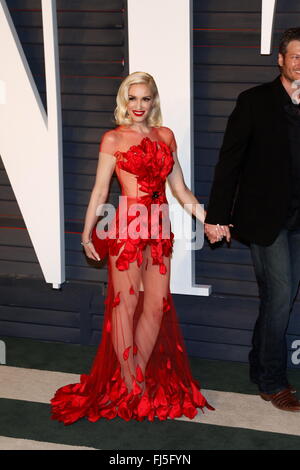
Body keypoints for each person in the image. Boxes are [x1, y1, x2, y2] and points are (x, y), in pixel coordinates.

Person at [50, 71, 214, 424]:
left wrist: (208, 220)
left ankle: (135, 374)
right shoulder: (113, 138)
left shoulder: (166, 136)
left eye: (145, 98)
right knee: (125, 305)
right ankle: (132, 384)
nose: (138, 105)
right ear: (124, 102)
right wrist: (86, 233)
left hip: (159, 227)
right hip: (126, 226)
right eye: (132, 98)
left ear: (153, 101)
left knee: (155, 305)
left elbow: (181, 190)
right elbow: (99, 190)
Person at [204, 28, 300, 412]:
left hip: (299, 218)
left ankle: (259, 365)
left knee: (281, 297)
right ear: (280, 60)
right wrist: (216, 216)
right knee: (279, 296)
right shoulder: (254, 101)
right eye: (295, 56)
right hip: (264, 219)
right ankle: (274, 381)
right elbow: (230, 162)